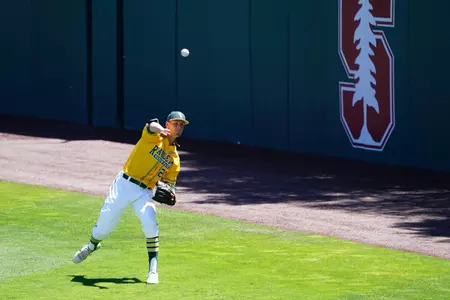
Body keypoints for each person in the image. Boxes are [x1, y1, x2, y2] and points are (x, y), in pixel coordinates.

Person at [72, 111, 189, 285]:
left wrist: (171, 192)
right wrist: (160, 130)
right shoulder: (153, 137)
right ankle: (92, 245)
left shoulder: (175, 159)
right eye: (175, 123)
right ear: (168, 123)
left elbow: (169, 184)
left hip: (144, 193)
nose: (178, 127)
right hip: (124, 184)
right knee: (103, 227)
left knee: (150, 224)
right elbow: (150, 125)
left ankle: (153, 270)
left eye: (181, 125)